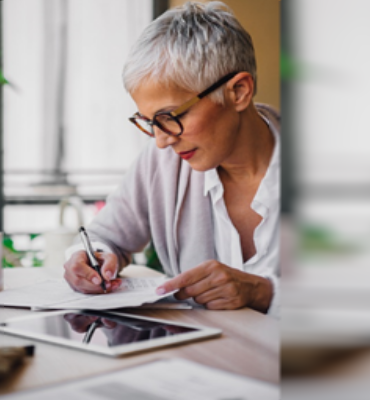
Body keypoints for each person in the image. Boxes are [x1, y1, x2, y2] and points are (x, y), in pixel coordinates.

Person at [62, 1, 280, 315]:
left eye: (169, 116)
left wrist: (265, 292)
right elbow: (105, 237)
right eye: (150, 121)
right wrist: (93, 257)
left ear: (238, 92)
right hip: (196, 360)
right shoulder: (164, 163)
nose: (162, 141)